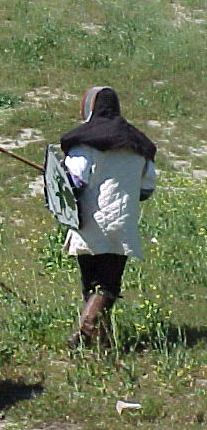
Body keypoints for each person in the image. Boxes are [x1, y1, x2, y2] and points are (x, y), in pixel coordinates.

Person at [60, 86, 156, 349]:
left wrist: (57, 181)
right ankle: (102, 342)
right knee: (107, 284)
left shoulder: (84, 144)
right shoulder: (139, 145)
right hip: (122, 222)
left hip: (88, 221)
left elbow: (74, 182)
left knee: (95, 284)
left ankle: (83, 332)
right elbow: (146, 189)